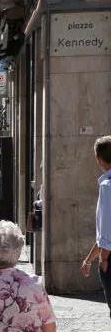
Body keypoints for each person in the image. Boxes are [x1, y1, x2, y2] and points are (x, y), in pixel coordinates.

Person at [82, 135, 111, 318]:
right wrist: (89, 259)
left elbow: (107, 231)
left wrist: (104, 259)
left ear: (98, 159)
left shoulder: (107, 186)